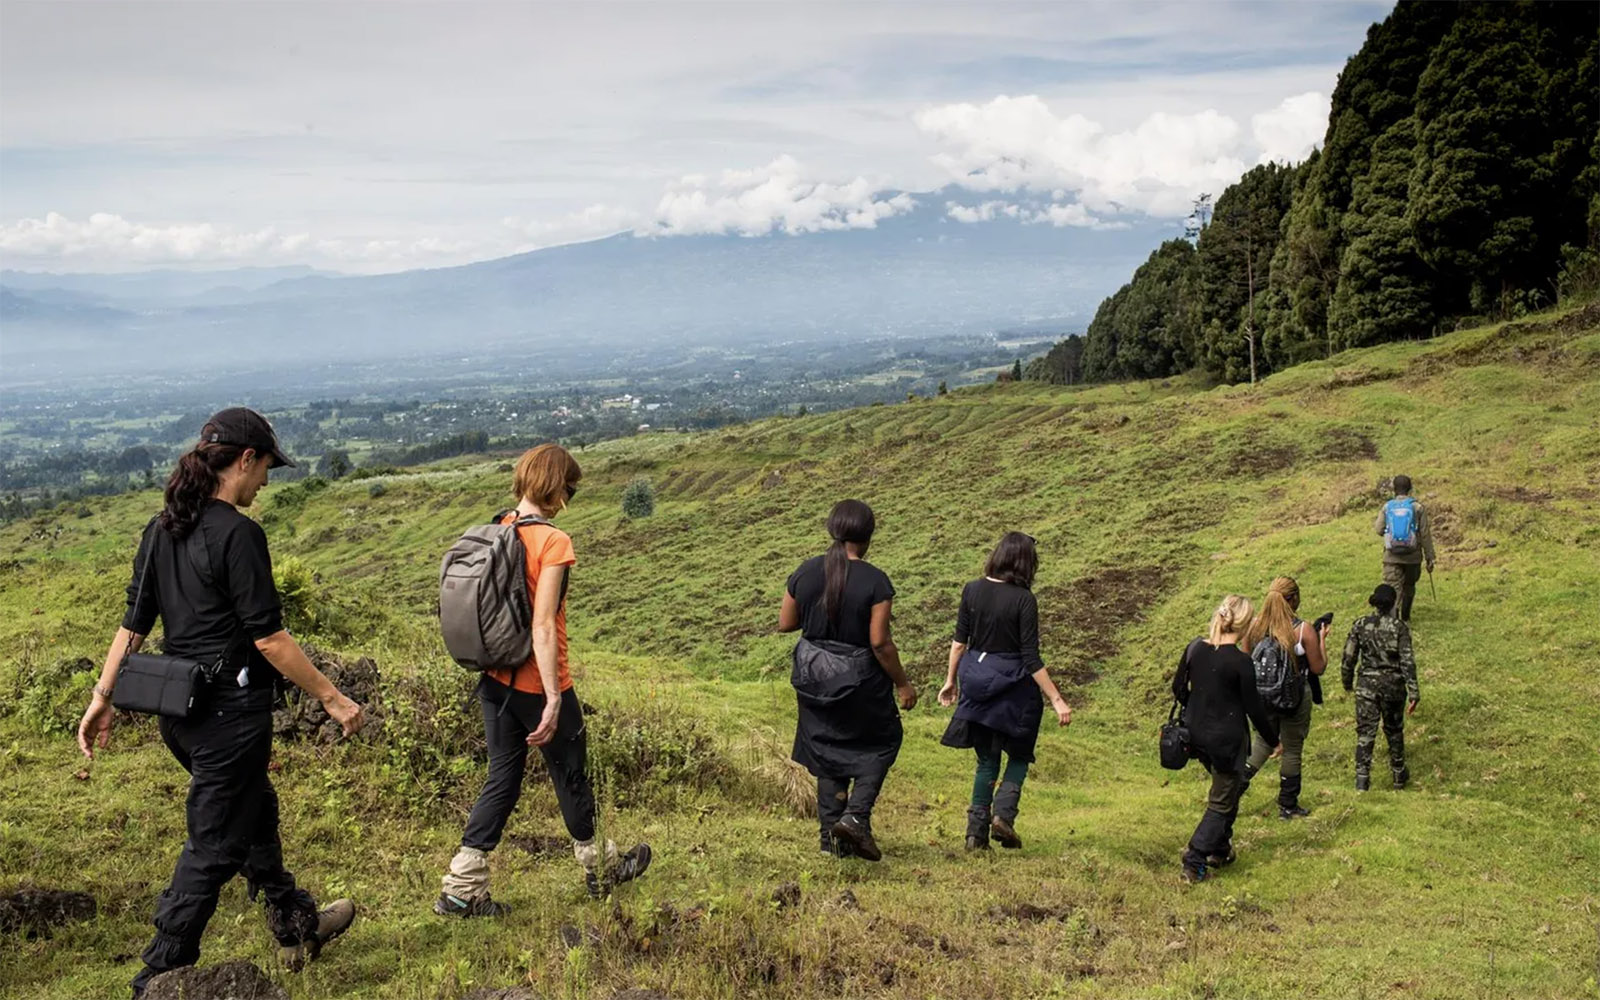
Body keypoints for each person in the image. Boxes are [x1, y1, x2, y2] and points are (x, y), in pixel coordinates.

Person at [74, 408, 367, 998]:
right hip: (230, 718)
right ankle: (156, 975)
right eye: (265, 470)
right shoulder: (238, 534)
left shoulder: (162, 530)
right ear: (243, 460)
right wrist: (333, 698)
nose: (266, 482)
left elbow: (132, 625)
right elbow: (269, 638)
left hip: (180, 717)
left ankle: (296, 925)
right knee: (213, 844)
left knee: (253, 808)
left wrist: (103, 695)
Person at [437, 444, 651, 915]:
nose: (569, 497)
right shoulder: (553, 542)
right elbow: (542, 623)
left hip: (495, 680)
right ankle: (603, 869)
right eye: (570, 488)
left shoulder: (500, 526)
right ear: (558, 487)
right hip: (538, 682)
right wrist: (554, 697)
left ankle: (461, 887)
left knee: (502, 777)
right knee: (572, 775)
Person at [779, 499, 917, 862]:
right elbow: (880, 642)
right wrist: (903, 683)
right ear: (868, 536)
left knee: (826, 751)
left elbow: (786, 623)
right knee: (883, 742)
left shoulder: (806, 572)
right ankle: (856, 816)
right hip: (860, 683)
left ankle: (831, 840)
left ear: (832, 530)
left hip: (813, 678)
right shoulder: (876, 581)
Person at [937, 532, 1071, 851]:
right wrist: (1056, 698)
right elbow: (1030, 657)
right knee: (1020, 754)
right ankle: (1004, 816)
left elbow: (959, 643)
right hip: (1016, 688)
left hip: (977, 681)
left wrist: (950, 681)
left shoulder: (972, 589)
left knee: (986, 762)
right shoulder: (1024, 599)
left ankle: (975, 835)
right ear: (1026, 563)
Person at [1173, 595, 1279, 883]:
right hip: (1227, 741)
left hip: (1195, 736)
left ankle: (1220, 848)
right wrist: (1272, 739)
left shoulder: (1195, 648)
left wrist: (1198, 708)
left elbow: (1178, 689)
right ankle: (1195, 859)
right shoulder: (1241, 663)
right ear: (1245, 626)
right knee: (1222, 799)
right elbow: (1254, 709)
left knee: (1229, 788)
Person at [1241, 576, 1329, 819]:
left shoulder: (1254, 626)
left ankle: (1233, 789)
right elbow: (1318, 667)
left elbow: (1245, 660)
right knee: (1292, 749)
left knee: (1262, 742)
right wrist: (1322, 641)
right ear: (1294, 599)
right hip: (1295, 697)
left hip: (1261, 698)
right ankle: (1288, 804)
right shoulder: (1302, 630)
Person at [1340, 584, 1420, 790]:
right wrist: (1413, 691)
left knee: (1366, 732)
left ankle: (1362, 779)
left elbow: (1349, 657)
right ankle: (1399, 774)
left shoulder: (1360, 625)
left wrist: (1347, 682)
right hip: (1393, 687)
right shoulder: (1400, 628)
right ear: (1394, 603)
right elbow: (1407, 661)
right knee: (1394, 730)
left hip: (1366, 686)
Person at [1375, 474, 1436, 622]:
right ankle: (1406, 618)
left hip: (1391, 556)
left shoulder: (1387, 507)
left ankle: (1393, 621)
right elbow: (1425, 534)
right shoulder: (1417, 507)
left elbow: (1378, 529)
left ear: (1394, 489)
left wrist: (1392, 536)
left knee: (1393, 588)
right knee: (1409, 587)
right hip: (1413, 557)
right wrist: (1429, 556)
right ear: (1409, 489)